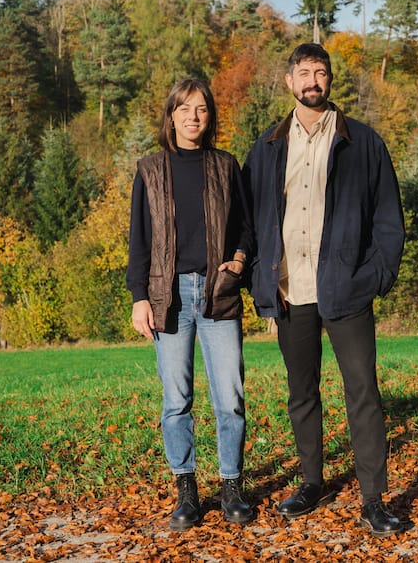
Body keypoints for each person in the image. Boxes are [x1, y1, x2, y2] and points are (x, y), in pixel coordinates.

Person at [243, 43, 405, 537]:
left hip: (347, 291)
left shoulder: (363, 143)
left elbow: (389, 221)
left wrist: (373, 277)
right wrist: (260, 277)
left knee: (363, 392)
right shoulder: (266, 148)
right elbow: (248, 221)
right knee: (302, 394)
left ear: (330, 81)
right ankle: (312, 482)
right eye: (304, 72)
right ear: (289, 81)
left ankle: (373, 500)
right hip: (290, 291)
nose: (312, 80)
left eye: (321, 72)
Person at [126, 77, 254, 531]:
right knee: (176, 400)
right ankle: (187, 491)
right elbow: (139, 239)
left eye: (200, 108)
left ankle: (231, 488)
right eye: (184, 109)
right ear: (171, 116)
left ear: (209, 115)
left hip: (219, 293)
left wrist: (239, 260)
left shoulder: (225, 166)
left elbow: (246, 227)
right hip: (169, 297)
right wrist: (139, 297)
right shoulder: (149, 170)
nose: (193, 117)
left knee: (230, 398)